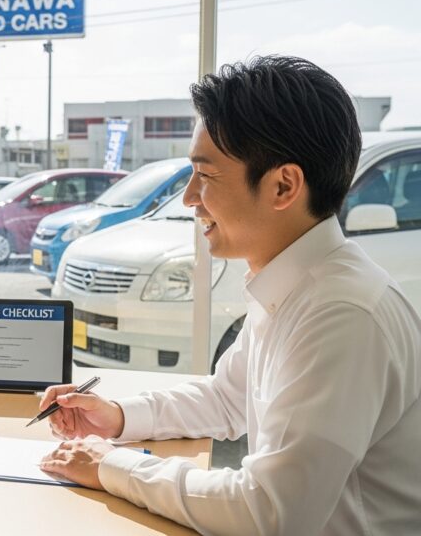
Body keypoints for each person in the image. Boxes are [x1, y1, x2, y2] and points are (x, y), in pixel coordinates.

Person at [37, 56, 421, 535]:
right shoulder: (298, 282)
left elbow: (269, 513)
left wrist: (111, 466)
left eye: (207, 176)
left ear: (283, 185)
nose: (189, 197)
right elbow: (227, 399)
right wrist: (115, 417)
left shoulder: (342, 313)